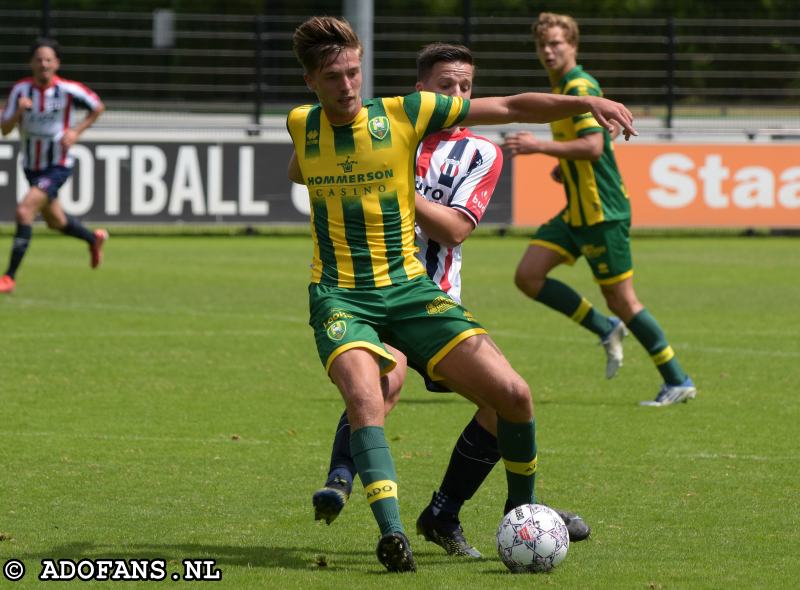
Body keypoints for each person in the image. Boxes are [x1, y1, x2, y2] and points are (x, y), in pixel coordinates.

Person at [286, 16, 635, 572]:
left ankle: (513, 515)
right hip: (347, 297)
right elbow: (305, 166)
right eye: (334, 76)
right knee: (374, 391)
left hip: (422, 294)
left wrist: (588, 104)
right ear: (312, 81)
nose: (348, 85)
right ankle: (371, 509)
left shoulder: (413, 122)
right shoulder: (303, 124)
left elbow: (511, 108)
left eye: (355, 72)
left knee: (513, 397)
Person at [502, 13, 695, 407]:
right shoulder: (564, 87)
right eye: (543, 45)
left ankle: (677, 379)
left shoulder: (579, 85)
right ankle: (606, 328)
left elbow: (592, 147)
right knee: (528, 276)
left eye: (557, 43)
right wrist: (563, 164)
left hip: (602, 213)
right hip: (576, 212)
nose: (549, 51)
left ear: (573, 45)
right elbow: (589, 147)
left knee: (623, 299)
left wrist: (540, 147)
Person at [0, 38, 107, 294]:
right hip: (32, 165)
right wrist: (18, 113)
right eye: (39, 59)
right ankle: (94, 239)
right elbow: (4, 130)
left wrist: (76, 132)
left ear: (57, 63)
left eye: (48, 59)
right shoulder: (20, 91)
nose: (43, 64)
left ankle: (8, 277)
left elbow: (98, 107)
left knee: (25, 211)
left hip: (57, 164)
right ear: (31, 63)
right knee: (56, 221)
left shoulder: (69, 90)